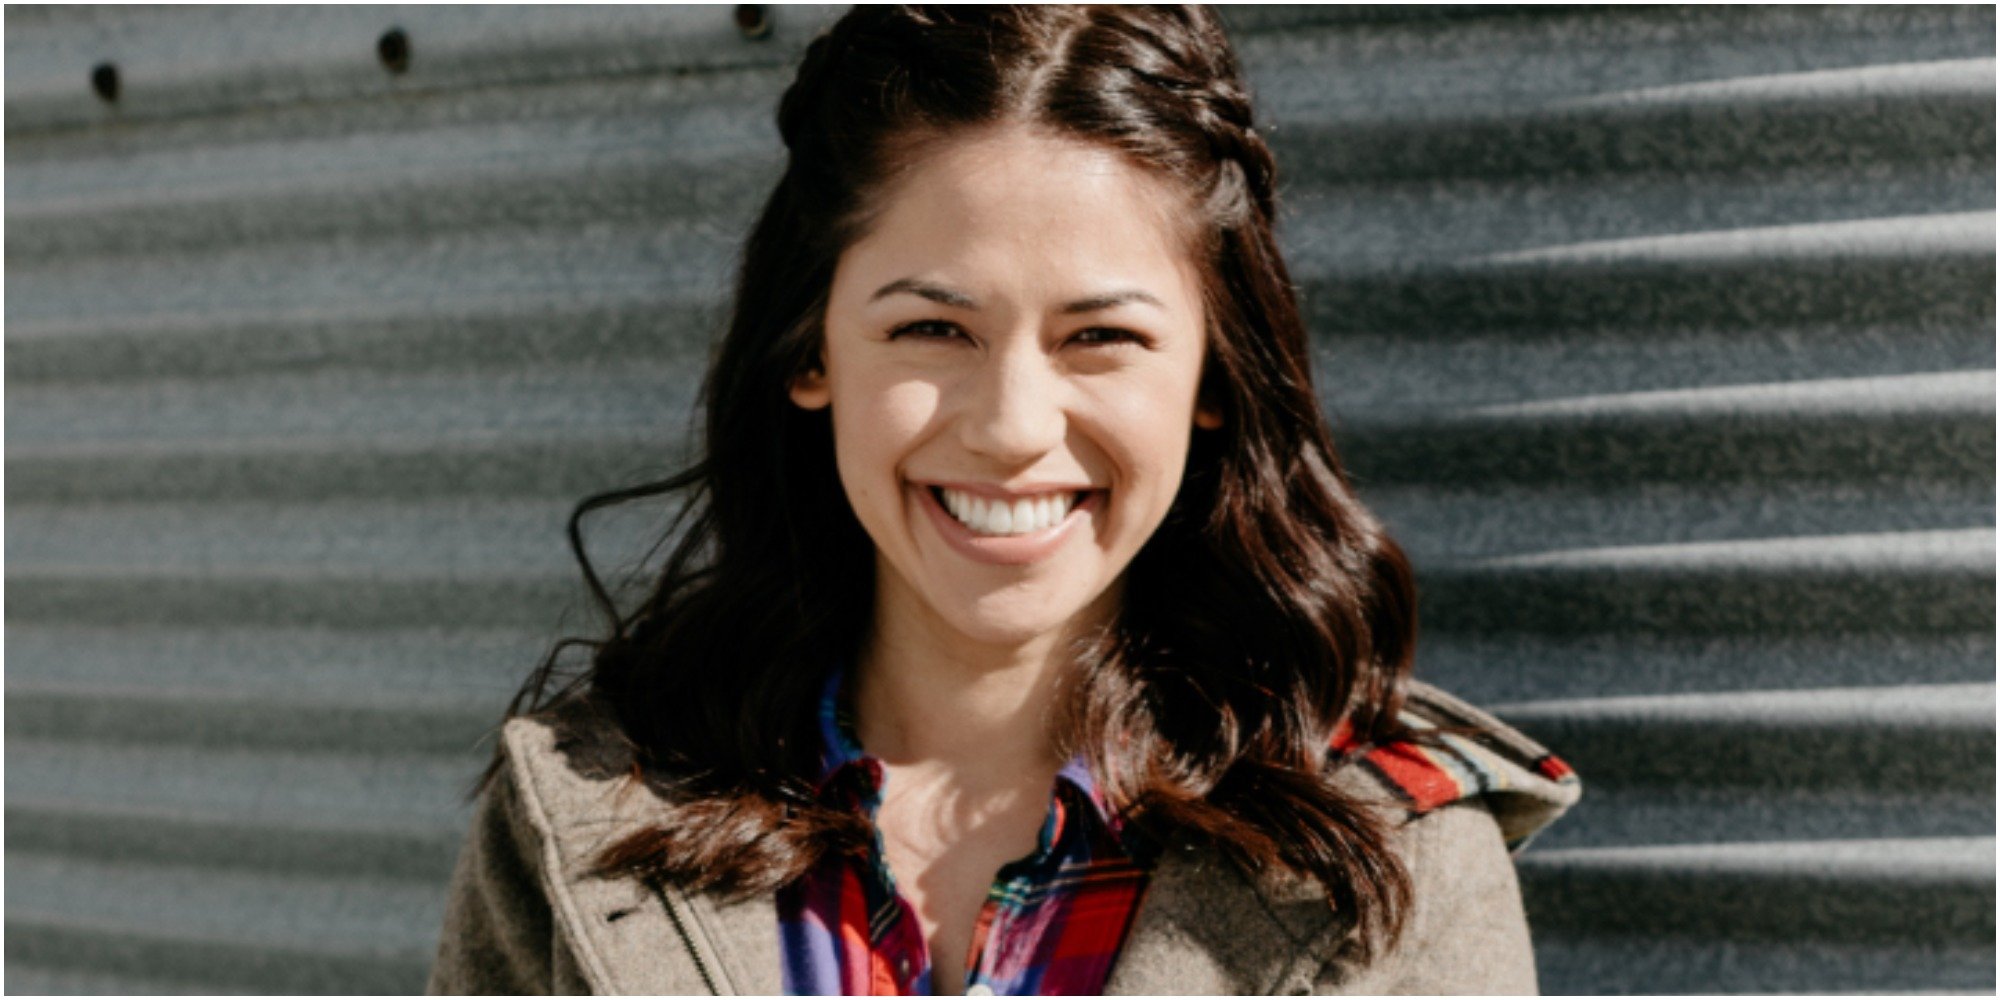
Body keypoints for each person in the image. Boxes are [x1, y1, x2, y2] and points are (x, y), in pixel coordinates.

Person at [426, 6, 1579, 995]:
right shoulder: (584, 815)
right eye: (932, 328)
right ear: (809, 350)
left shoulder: (1393, 853)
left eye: (1101, 337)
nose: (1012, 426)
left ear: (1213, 380)